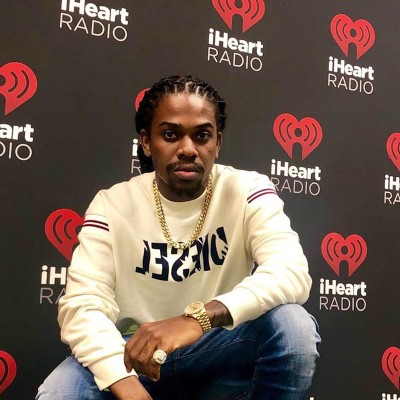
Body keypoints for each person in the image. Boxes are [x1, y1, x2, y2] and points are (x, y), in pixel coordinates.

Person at [36, 75, 320, 400]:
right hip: (132, 355)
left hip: (215, 349)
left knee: (293, 328)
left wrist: (197, 319)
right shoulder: (112, 204)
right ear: (147, 142)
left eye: (202, 136)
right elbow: (82, 304)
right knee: (60, 392)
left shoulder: (247, 189)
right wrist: (127, 386)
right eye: (170, 134)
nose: (187, 149)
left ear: (217, 144)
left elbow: (291, 272)